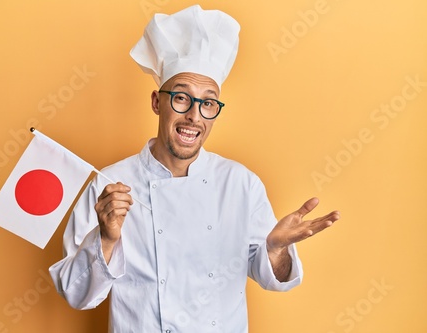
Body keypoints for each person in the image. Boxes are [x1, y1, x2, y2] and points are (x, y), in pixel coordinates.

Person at [49, 5, 340, 333]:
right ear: (158, 103)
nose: (194, 116)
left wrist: (276, 249)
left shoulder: (240, 184)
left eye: (208, 103)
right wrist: (105, 238)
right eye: (182, 98)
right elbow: (74, 294)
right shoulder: (110, 186)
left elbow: (277, 279)